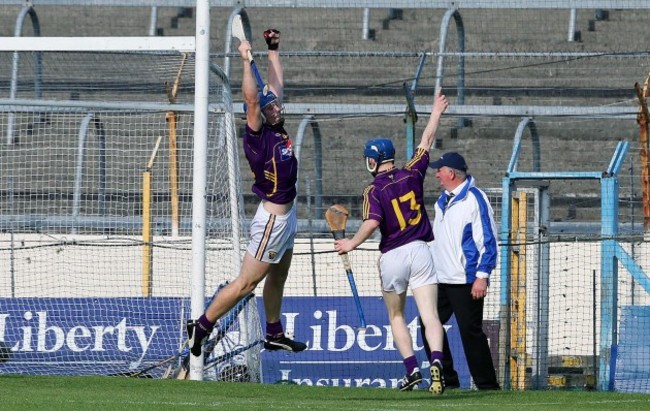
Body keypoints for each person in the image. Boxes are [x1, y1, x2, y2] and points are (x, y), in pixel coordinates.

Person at [188, 28, 307, 357]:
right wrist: (245, 60)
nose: (278, 109)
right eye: (272, 108)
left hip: (287, 215)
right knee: (246, 283)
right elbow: (254, 99)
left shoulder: (276, 124)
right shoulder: (257, 136)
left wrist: (272, 50)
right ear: (258, 115)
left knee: (279, 274)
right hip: (272, 221)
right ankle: (201, 325)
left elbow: (275, 85)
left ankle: (273, 332)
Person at [334, 91, 449, 394]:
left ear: (373, 161)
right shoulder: (412, 172)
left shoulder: (372, 189)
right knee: (431, 316)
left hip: (394, 255)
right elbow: (426, 140)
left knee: (396, 315)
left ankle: (412, 370)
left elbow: (372, 223)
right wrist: (436, 111)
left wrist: (351, 244)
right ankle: (436, 362)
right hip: (422, 251)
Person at [420, 151, 500, 390]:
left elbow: (488, 241)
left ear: (451, 173)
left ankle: (487, 386)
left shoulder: (475, 199)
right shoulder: (442, 201)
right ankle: (448, 380)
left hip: (466, 280)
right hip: (440, 279)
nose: (436, 175)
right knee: (428, 326)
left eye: (440, 171)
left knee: (470, 332)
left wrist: (482, 277)